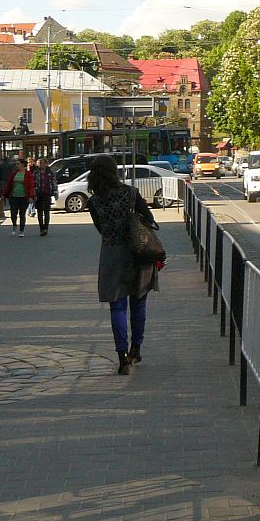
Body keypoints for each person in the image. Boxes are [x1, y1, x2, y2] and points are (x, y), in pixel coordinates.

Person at [87, 154, 159, 375]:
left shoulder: (94, 201)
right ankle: (135, 349)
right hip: (137, 256)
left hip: (111, 256)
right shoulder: (130, 193)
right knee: (138, 304)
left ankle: (122, 359)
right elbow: (151, 221)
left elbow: (101, 229)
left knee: (117, 307)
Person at [1, 158, 33, 237]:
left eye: (18, 164)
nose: (16, 165)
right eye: (16, 164)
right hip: (14, 196)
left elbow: (31, 186)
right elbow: (8, 184)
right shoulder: (13, 173)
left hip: (24, 196)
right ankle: (14, 225)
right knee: (13, 213)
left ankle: (21, 230)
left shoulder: (28, 174)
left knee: (22, 214)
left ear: (23, 165)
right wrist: (4, 194)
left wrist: (31, 196)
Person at [33, 159, 57, 236]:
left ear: (46, 164)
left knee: (46, 211)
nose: (42, 165)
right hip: (38, 194)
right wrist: (33, 194)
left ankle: (46, 228)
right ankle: (41, 229)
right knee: (39, 212)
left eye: (43, 163)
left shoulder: (50, 173)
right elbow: (33, 184)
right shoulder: (36, 173)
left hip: (47, 193)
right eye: (40, 163)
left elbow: (54, 182)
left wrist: (55, 191)